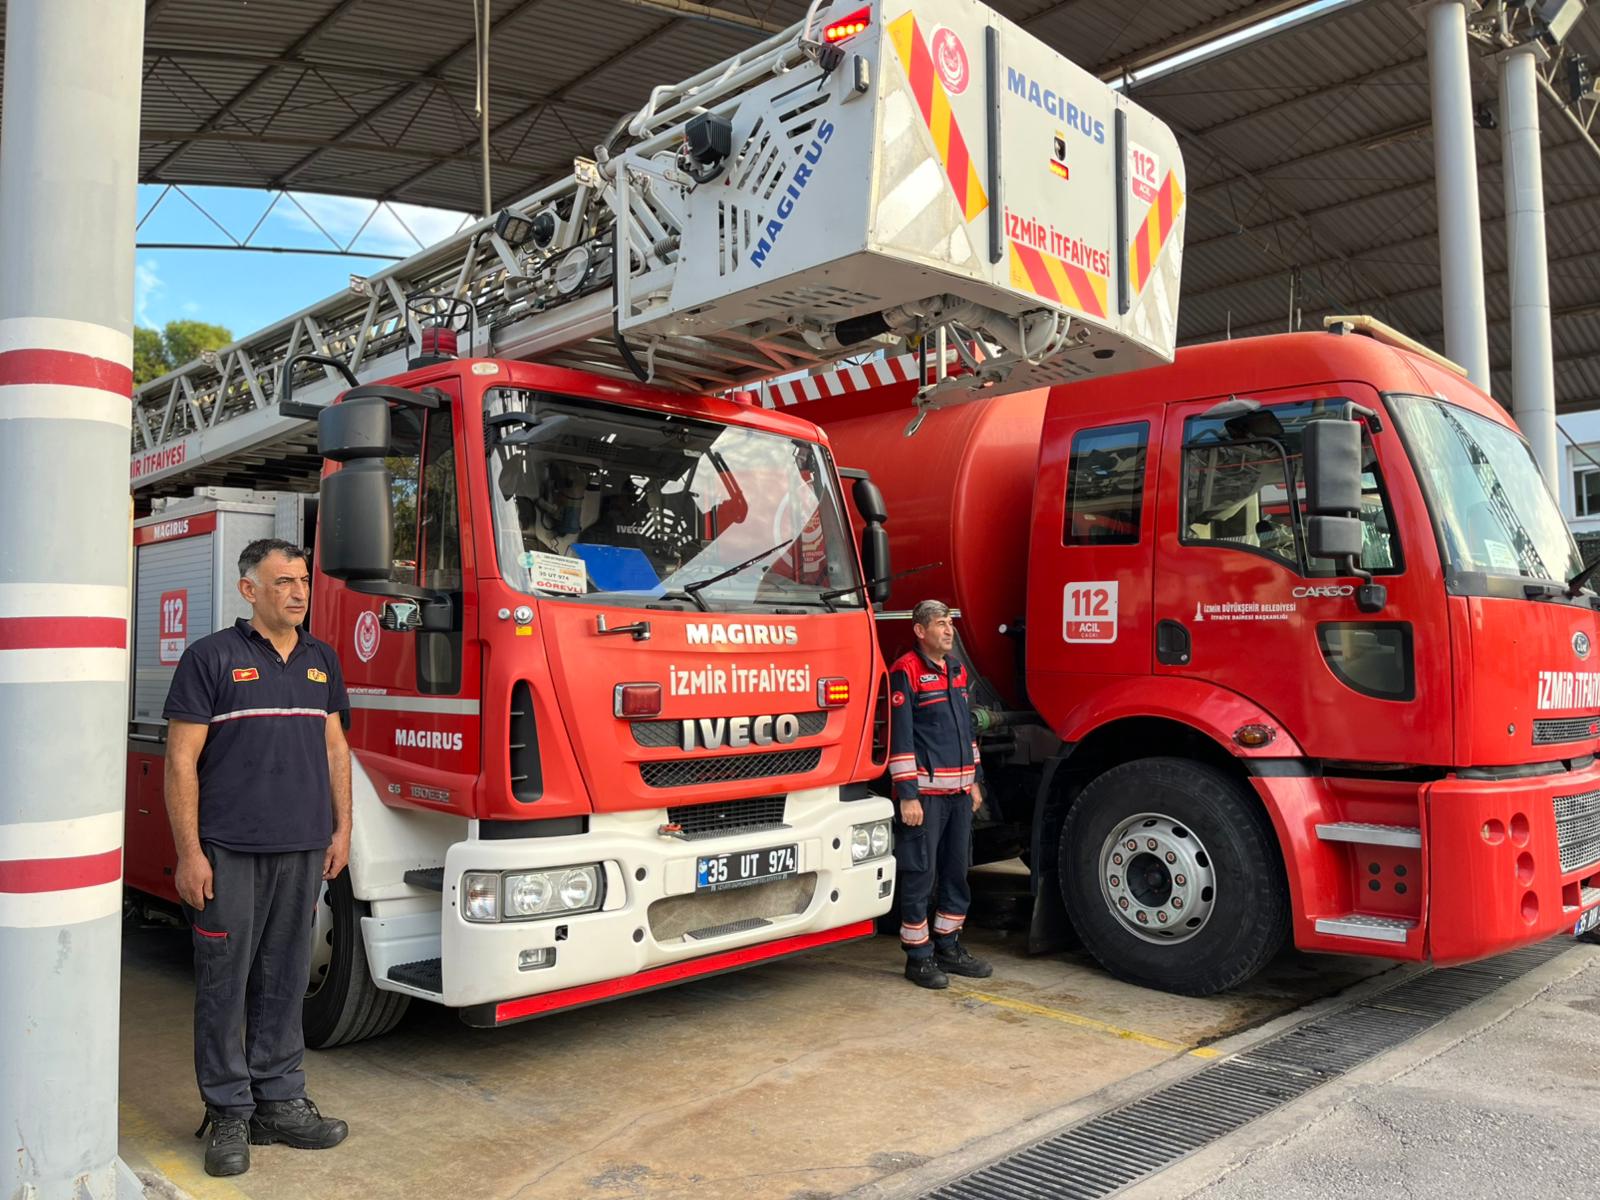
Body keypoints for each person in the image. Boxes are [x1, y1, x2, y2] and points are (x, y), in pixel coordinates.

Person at [163, 538, 352, 1177]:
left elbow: (335, 751)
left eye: (303, 581)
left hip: (302, 847)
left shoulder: (322, 661)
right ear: (249, 589)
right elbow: (180, 761)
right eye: (283, 582)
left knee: (285, 976)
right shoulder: (209, 658)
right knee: (224, 981)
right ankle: (227, 1111)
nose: (298, 593)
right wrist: (190, 852)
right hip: (229, 850)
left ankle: (279, 1098)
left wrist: (342, 829)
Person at [887, 599, 994, 989]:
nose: (949, 631)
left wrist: (976, 780)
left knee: (955, 873)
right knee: (920, 874)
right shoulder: (906, 672)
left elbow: (967, 732)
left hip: (960, 795)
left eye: (950, 624)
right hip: (926, 798)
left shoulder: (957, 670)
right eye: (940, 624)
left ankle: (949, 947)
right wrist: (908, 795)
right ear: (920, 631)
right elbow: (900, 738)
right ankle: (918, 956)